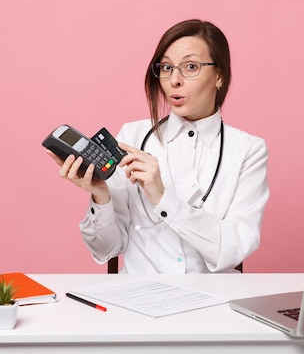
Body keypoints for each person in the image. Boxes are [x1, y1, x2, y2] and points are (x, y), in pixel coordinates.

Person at [47, 19, 269, 273]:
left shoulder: (247, 151)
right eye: (166, 67)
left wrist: (162, 197)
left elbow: (232, 248)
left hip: (212, 302)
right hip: (140, 299)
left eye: (190, 67)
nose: (174, 80)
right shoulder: (132, 136)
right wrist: (100, 195)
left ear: (219, 76)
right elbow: (105, 248)